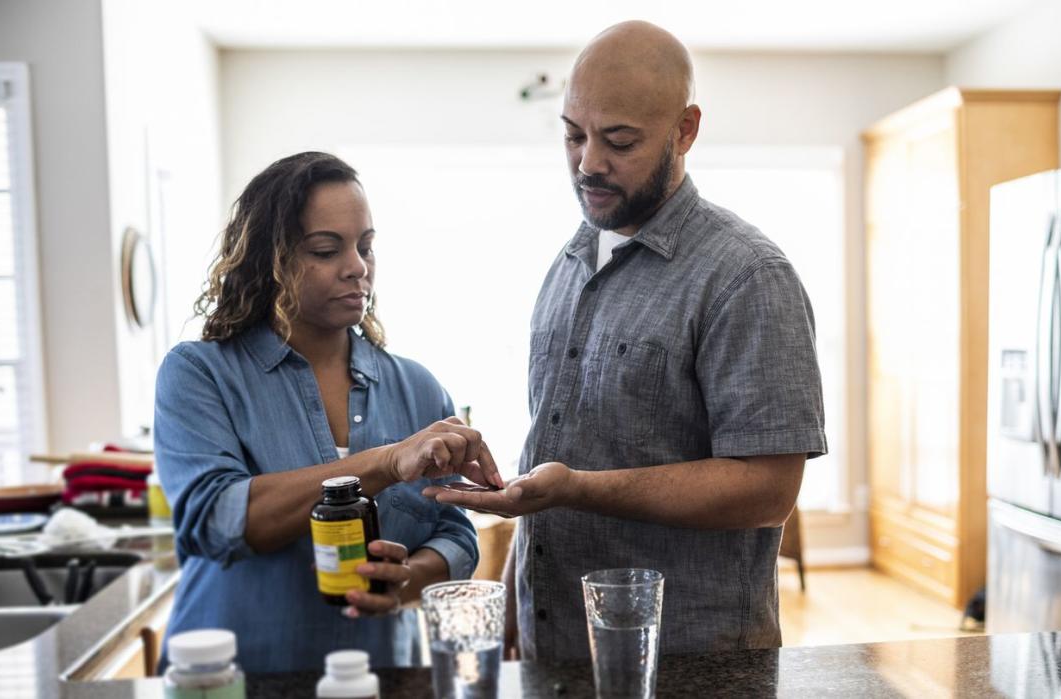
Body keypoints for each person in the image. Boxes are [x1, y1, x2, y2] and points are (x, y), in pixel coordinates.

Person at [426, 21, 826, 661]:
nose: (588, 162)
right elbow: (550, 446)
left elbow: (768, 490)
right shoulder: (569, 263)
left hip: (690, 664)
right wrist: (511, 606)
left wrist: (578, 487)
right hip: (549, 651)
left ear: (686, 130)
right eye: (572, 135)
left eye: (619, 141)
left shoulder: (747, 276)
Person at [154, 151, 503, 673]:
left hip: (377, 675)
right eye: (326, 249)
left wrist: (405, 578)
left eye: (366, 247)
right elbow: (218, 520)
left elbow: (453, 532)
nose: (357, 267)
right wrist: (385, 463)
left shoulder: (418, 387)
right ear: (270, 259)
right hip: (234, 680)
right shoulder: (199, 373)